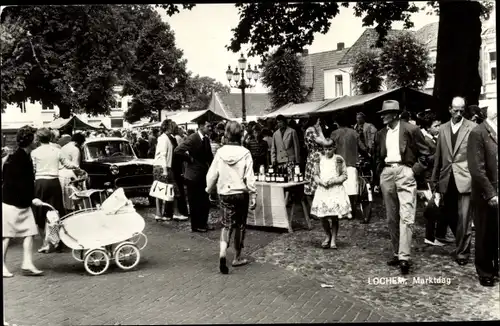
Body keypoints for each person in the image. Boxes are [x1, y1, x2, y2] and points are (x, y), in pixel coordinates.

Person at [373, 100, 430, 275]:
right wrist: (379, 177)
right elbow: (376, 156)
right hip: (387, 173)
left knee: (406, 216)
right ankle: (397, 253)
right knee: (391, 217)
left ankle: (404, 257)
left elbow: (425, 153)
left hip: (405, 171)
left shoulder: (411, 130)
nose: (382, 116)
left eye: (386, 113)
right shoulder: (381, 133)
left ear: (395, 114)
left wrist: (413, 171)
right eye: (382, 113)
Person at [206, 121, 257, 274]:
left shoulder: (220, 153)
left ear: (226, 134)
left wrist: (209, 189)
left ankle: (222, 254)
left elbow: (212, 174)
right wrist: (253, 194)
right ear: (240, 134)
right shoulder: (245, 152)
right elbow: (250, 176)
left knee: (226, 225)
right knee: (240, 225)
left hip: (225, 193)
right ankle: (237, 257)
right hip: (240, 193)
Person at [432, 96, 476, 266]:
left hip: (465, 178)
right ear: (449, 109)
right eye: (455, 110)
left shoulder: (472, 128)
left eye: (461, 110)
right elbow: (438, 157)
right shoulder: (442, 129)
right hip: (446, 179)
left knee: (465, 218)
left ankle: (463, 253)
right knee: (450, 215)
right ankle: (461, 244)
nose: (459, 113)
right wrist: (434, 181)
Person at [3, 126, 45, 277]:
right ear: (30, 140)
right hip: (13, 203)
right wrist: (31, 198)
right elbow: (17, 184)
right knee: (7, 236)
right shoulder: (19, 159)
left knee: (30, 232)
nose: (38, 140)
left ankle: (27, 264)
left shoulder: (22, 156)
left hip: (20, 203)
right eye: (35, 138)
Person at [31, 128, 82, 253]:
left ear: (38, 138)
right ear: (50, 138)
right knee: (55, 211)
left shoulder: (35, 152)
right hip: (54, 182)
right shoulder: (56, 151)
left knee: (40, 214)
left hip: (40, 183)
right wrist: (78, 168)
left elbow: (33, 169)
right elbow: (68, 164)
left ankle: (45, 243)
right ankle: (58, 241)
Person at [467, 104, 499, 287]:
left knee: (495, 232)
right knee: (485, 232)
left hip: (495, 190)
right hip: (485, 193)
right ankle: (485, 271)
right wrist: (490, 193)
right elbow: (476, 169)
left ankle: (495, 267)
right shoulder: (478, 133)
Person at [174, 120, 214, 232]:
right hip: (193, 176)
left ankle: (204, 223)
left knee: (204, 200)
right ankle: (196, 225)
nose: (210, 128)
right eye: (208, 126)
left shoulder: (205, 139)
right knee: (195, 201)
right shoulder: (193, 138)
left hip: (203, 174)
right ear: (201, 126)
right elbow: (178, 150)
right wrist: (189, 159)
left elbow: (209, 157)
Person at [310, 141, 351, 249]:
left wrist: (335, 180)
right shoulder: (319, 160)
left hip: (335, 190)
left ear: (334, 148)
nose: (327, 151)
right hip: (323, 190)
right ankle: (327, 235)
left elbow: (345, 175)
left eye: (330, 149)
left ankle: (333, 239)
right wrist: (321, 182)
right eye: (325, 149)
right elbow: (315, 175)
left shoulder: (338, 159)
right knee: (322, 216)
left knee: (334, 216)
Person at [416, 111, 447, 247]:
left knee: (437, 206)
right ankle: (429, 236)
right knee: (433, 207)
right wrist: (440, 154)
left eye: (439, 125)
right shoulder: (425, 140)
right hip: (429, 177)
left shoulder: (432, 139)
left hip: (434, 176)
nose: (438, 128)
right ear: (428, 127)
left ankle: (437, 235)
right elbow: (426, 159)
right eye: (436, 126)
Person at [330, 114, 368, 221]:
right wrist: (367, 155)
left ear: (337, 123)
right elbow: (362, 148)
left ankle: (341, 212)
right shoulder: (354, 133)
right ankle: (351, 211)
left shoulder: (334, 134)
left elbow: (330, 149)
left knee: (339, 188)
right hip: (352, 164)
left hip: (338, 165)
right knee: (352, 189)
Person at [303, 117, 332, 212]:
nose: (320, 122)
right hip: (314, 158)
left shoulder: (312, 130)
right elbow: (325, 143)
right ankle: (314, 209)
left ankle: (316, 209)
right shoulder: (311, 131)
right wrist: (320, 131)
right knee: (313, 183)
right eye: (319, 120)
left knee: (315, 182)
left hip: (316, 157)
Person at [164, 120, 189, 221]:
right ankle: (177, 211)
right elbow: (178, 152)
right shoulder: (174, 138)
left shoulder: (172, 138)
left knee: (173, 189)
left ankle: (169, 212)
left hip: (173, 166)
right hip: (174, 166)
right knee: (176, 190)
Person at [153, 119, 176, 222]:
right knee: (161, 189)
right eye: (172, 126)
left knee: (163, 189)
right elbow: (163, 155)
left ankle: (161, 213)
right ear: (168, 127)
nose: (173, 128)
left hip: (163, 166)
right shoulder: (163, 138)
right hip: (162, 166)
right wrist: (165, 170)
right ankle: (159, 213)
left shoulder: (165, 138)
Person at [59, 133, 86, 212]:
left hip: (60, 176)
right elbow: (75, 167)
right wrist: (83, 173)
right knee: (73, 203)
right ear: (79, 142)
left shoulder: (63, 147)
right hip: (70, 176)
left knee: (65, 202)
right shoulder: (75, 149)